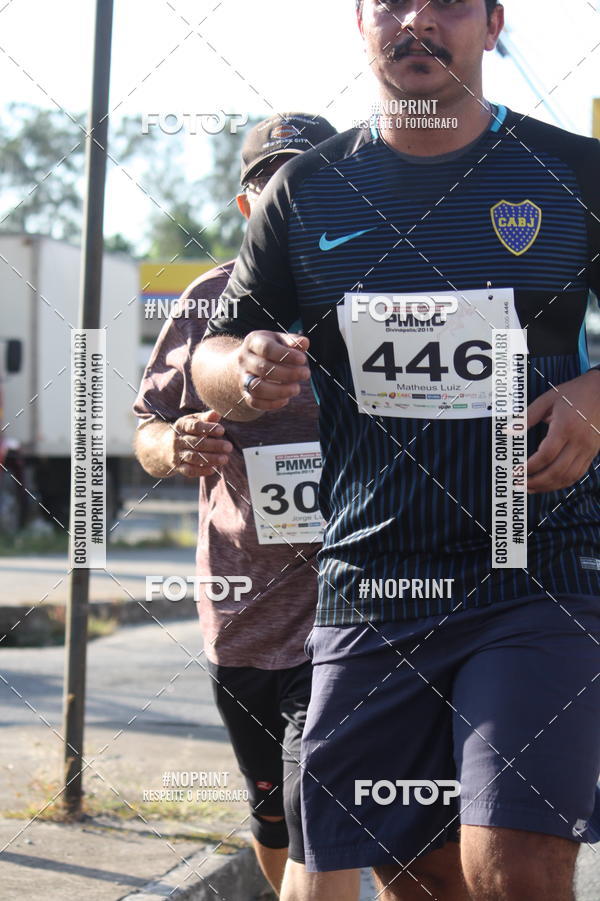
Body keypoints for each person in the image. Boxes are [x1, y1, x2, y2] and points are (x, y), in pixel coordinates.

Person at [192, 2, 600, 900]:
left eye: (448, 1)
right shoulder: (308, 189)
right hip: (373, 584)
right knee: (415, 872)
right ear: (360, 23)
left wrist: (595, 395)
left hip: (537, 567)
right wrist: (243, 366)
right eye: (391, 3)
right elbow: (211, 353)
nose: (417, 20)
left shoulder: (574, 170)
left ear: (493, 24)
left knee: (514, 862)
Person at [133, 112, 337, 896]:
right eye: (272, 184)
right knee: (273, 817)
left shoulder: (372, 291)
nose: (290, 197)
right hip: (242, 607)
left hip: (350, 602)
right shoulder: (208, 301)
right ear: (249, 205)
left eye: (309, 180)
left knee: (317, 798)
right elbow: (148, 430)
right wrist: (177, 443)